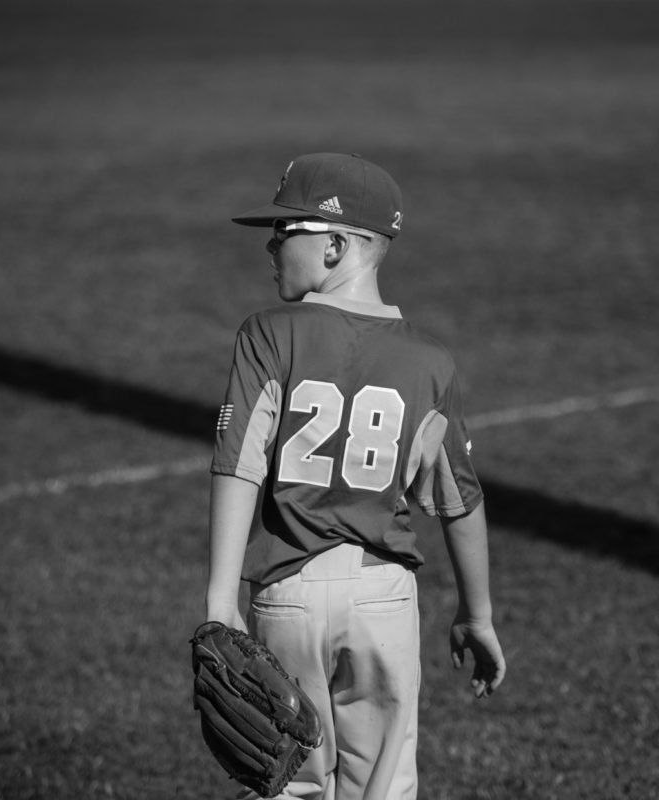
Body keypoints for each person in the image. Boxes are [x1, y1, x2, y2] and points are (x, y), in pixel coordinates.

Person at [203, 152, 506, 800]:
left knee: (288, 782)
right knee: (384, 786)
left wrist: (219, 597)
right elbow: (459, 501)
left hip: (287, 594)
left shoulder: (267, 335)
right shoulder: (430, 361)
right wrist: (477, 614)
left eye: (286, 233)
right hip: (382, 600)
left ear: (336, 245)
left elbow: (238, 465)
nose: (270, 244)